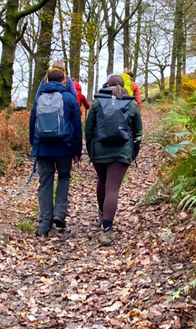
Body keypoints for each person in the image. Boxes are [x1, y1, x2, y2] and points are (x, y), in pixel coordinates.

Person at [85, 75, 142, 245]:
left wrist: (91, 151)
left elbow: (88, 131)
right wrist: (133, 153)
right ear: (124, 86)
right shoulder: (131, 103)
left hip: (99, 150)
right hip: (121, 151)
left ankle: (103, 215)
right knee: (112, 189)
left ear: (107, 85)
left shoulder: (97, 103)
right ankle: (106, 229)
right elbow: (138, 132)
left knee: (102, 181)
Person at [30, 68, 82, 236]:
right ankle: (59, 214)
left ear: (46, 80)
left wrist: (35, 145)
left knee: (45, 183)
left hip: (43, 148)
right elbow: (76, 126)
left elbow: (32, 123)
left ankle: (44, 224)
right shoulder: (69, 98)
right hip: (64, 147)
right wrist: (77, 150)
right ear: (64, 81)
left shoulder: (39, 99)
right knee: (64, 177)